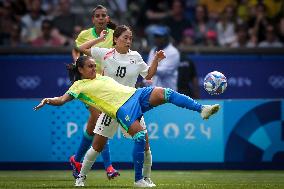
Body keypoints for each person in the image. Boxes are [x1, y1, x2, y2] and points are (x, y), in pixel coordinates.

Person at [34, 56, 220, 188]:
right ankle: (132, 180)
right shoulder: (78, 86)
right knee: (133, 138)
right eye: (90, 66)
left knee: (167, 93)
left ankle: (201, 109)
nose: (94, 68)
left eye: (94, 65)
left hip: (135, 94)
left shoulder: (100, 76)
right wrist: (48, 100)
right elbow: (61, 99)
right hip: (121, 109)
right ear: (81, 70)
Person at [77, 25, 165, 187]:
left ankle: (146, 178)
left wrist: (155, 60)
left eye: (130, 38)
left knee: (145, 144)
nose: (128, 41)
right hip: (110, 107)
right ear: (115, 39)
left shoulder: (136, 57)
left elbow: (149, 75)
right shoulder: (105, 53)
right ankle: (81, 177)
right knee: (97, 146)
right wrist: (100, 39)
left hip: (131, 107)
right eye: (125, 37)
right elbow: (81, 47)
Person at [70, 5, 119, 180]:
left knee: (94, 125)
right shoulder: (84, 34)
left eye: (103, 15)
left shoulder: (114, 35)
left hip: (105, 84)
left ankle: (76, 159)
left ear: (107, 18)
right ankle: (109, 167)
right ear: (93, 19)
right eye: (97, 16)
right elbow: (77, 50)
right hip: (89, 83)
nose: (100, 18)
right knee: (100, 119)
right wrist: (79, 65)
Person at [147, 26, 180, 91]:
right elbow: (149, 73)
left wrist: (144, 67)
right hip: (154, 93)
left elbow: (163, 71)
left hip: (168, 92)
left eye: (159, 37)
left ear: (166, 38)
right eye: (156, 37)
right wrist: (145, 82)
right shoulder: (153, 50)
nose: (157, 39)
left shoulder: (173, 52)